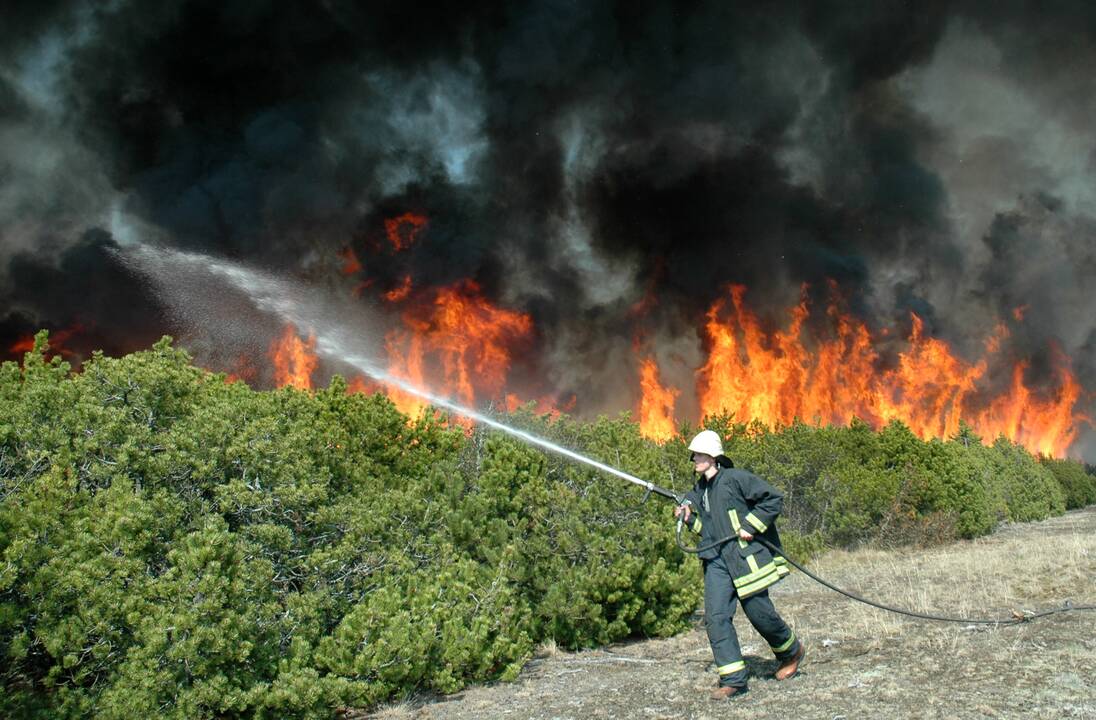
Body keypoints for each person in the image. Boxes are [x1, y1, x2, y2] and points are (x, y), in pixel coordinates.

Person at [674, 429, 804, 700]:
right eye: (694, 454)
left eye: (698, 454)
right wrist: (688, 519)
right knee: (716, 617)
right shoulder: (701, 490)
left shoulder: (736, 479)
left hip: (744, 559)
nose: (693, 459)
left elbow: (773, 499)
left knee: (760, 614)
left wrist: (750, 525)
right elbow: (707, 531)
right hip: (717, 561)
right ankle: (733, 680)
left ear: (712, 456)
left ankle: (791, 652)